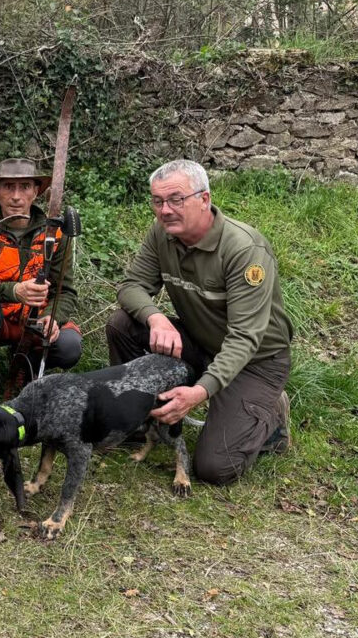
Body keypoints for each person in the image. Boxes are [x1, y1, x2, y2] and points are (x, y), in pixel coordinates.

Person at [108, 159, 293, 485]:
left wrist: (198, 392)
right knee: (123, 324)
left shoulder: (243, 249)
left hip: (255, 361)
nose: (165, 210)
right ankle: (135, 423)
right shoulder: (162, 234)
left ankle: (271, 417)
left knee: (214, 468)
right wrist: (157, 319)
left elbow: (244, 338)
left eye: (176, 199)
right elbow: (132, 286)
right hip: (200, 341)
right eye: (158, 201)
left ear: (204, 198)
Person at [0, 159, 82, 412]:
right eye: (8, 187)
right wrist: (15, 291)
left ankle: (27, 366)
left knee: (70, 346)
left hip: (34, 319)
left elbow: (65, 291)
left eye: (24, 187)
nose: (16, 196)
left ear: (36, 191)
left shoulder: (54, 232)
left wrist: (53, 318)